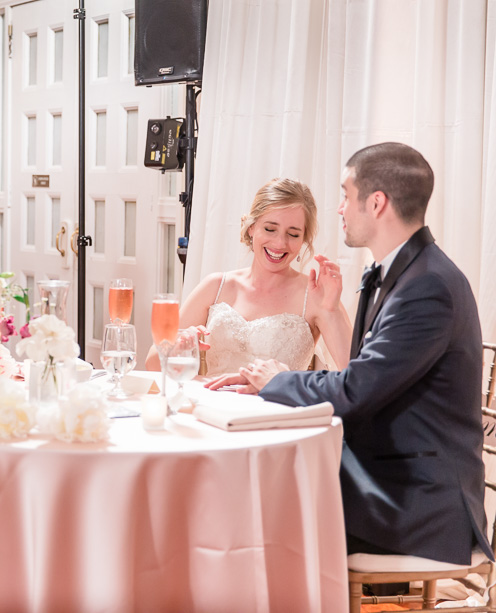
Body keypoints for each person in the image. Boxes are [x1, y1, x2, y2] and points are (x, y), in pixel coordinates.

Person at [208, 143, 493, 566]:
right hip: (387, 477)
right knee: (243, 495)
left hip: (412, 502)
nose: (339, 208)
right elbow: (367, 374)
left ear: (376, 203)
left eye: (345, 194)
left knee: (248, 511)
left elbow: (355, 388)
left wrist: (275, 380)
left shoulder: (426, 286)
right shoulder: (404, 273)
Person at [146, 178, 352, 375]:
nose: (280, 243)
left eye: (293, 234)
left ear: (304, 239)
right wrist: (181, 344)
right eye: (270, 228)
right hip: (213, 408)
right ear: (252, 227)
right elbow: (153, 363)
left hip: (277, 410)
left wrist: (331, 309)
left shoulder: (315, 295)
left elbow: (358, 377)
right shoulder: (215, 286)